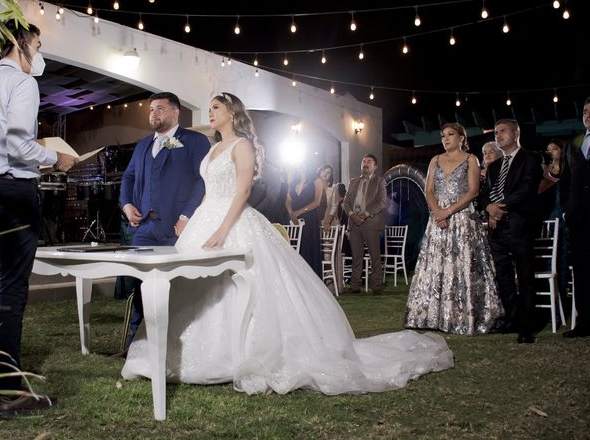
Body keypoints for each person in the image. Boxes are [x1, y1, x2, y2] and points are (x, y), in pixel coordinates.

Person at [121, 92, 453, 394]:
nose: (210, 112)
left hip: (232, 221)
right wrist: (195, 221)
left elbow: (243, 192)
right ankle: (182, 354)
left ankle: (241, 354)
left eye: (216, 108)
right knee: (196, 288)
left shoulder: (242, 146)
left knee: (242, 287)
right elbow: (206, 190)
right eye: (208, 108)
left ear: (232, 112)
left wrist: (223, 229)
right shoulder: (212, 150)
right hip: (204, 218)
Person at [0, 22, 77, 413]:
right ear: (20, 44)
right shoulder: (23, 84)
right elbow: (17, 141)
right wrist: (55, 159)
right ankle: (12, 387)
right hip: (13, 192)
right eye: (39, 45)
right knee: (12, 287)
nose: (40, 53)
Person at [118, 92, 210, 353]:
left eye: (160, 108)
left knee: (178, 288)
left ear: (176, 112)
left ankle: (178, 346)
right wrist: (127, 206)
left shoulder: (195, 141)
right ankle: (136, 346)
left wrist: (186, 217)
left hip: (177, 228)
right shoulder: (142, 145)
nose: (154, 114)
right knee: (140, 285)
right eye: (150, 110)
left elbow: (201, 181)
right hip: (145, 229)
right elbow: (128, 179)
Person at [405, 123, 504, 335]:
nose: (445, 138)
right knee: (436, 265)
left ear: (461, 138)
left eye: (450, 134)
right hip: (438, 220)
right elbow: (428, 190)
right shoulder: (435, 160)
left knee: (463, 264)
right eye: (443, 135)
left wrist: (447, 212)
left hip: (462, 219)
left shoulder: (471, 160)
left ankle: (463, 316)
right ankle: (432, 316)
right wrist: (437, 212)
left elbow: (473, 192)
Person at [479, 118, 543, 344]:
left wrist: (499, 208)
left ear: (516, 133)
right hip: (497, 231)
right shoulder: (494, 165)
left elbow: (527, 189)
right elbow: (484, 192)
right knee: (503, 277)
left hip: (520, 226)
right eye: (496, 132)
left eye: (502, 131)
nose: (498, 135)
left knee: (525, 277)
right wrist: (488, 207)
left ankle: (527, 327)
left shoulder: (532, 158)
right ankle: (513, 318)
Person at [559, 96, 590, 338]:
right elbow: (566, 181)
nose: (588, 115)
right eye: (585, 111)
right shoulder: (574, 143)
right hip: (579, 217)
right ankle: (584, 322)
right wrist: (568, 209)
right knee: (581, 269)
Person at [343, 154, 389, 295]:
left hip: (371, 222)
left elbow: (381, 202)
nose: (365, 163)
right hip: (354, 222)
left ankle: (376, 286)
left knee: (375, 256)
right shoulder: (353, 182)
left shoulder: (380, 181)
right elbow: (346, 202)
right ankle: (355, 286)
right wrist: (352, 215)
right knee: (357, 257)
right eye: (363, 161)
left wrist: (366, 214)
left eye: (369, 161)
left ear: (374, 167)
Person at [537, 138, 570, 317]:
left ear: (562, 151)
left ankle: (561, 307)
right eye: (548, 149)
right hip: (546, 225)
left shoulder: (568, 172)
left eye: (555, 149)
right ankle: (549, 308)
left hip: (563, 224)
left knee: (561, 264)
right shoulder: (543, 174)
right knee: (548, 263)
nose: (551, 152)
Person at [285, 162, 323, 278]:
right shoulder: (292, 181)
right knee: (296, 248)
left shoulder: (316, 181)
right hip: (294, 219)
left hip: (310, 219)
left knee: (309, 248)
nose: (301, 165)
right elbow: (287, 199)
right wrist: (291, 213)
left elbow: (317, 202)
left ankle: (312, 280)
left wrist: (299, 212)